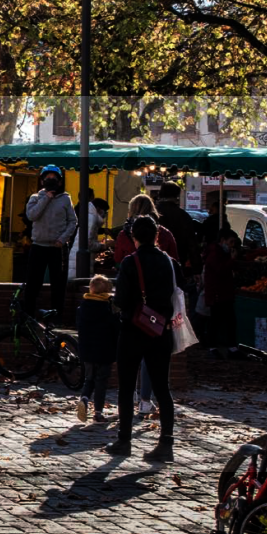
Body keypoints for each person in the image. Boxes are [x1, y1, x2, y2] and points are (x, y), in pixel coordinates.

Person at [108, 215, 183, 462]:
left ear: (134, 237)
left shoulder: (131, 263)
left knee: (127, 385)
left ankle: (124, 440)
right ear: (157, 236)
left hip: (133, 330)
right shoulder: (170, 263)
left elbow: (120, 300)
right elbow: (178, 292)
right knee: (162, 387)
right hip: (161, 330)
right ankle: (166, 443)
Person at [23, 165, 77, 317]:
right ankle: (28, 315)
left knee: (58, 284)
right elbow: (32, 216)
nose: (51, 181)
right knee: (33, 283)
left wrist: (62, 239)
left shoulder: (66, 199)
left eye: (54, 178)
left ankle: (57, 316)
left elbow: (72, 222)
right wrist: (46, 198)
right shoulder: (35, 198)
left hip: (57, 248)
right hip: (38, 246)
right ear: (42, 181)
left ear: (60, 182)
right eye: (47, 178)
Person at [75, 273, 119, 424]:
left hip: (87, 350)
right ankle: (98, 413)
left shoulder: (82, 308)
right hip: (104, 351)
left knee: (89, 379)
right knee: (101, 381)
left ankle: (85, 399)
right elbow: (116, 329)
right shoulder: (108, 309)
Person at [202, 228, 240, 354]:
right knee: (217, 321)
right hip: (218, 293)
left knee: (225, 320)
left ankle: (225, 346)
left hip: (222, 292)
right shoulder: (214, 253)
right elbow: (220, 270)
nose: (232, 245)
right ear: (223, 240)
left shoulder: (219, 253)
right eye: (231, 242)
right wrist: (232, 260)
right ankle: (214, 346)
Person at [113, 194, 179, 265]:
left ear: (131, 211)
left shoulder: (123, 235)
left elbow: (117, 260)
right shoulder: (165, 233)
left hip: (133, 274)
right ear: (153, 210)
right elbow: (174, 260)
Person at [157, 181, 201, 274]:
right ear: (176, 196)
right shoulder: (183, 216)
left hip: (155, 261)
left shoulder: (153, 213)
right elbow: (192, 244)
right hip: (178, 261)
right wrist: (197, 269)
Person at [68, 193, 106, 279]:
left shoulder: (91, 217)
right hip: (79, 261)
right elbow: (87, 243)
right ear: (99, 209)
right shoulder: (91, 219)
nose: (105, 215)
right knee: (78, 283)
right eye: (105, 211)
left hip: (77, 259)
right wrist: (102, 246)